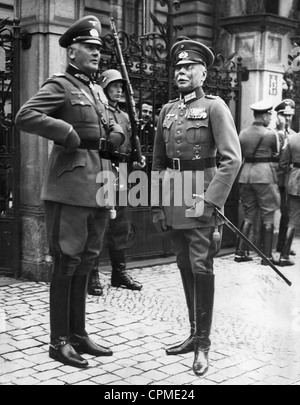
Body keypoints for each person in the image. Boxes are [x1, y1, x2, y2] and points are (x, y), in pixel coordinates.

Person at [15, 16, 126, 369]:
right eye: (90, 48)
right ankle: (58, 340)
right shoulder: (61, 85)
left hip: (97, 187)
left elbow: (108, 128)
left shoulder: (94, 89)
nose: (96, 53)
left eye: (98, 48)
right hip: (68, 189)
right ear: (72, 50)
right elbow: (25, 115)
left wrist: (117, 134)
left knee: (87, 261)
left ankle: (78, 334)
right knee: (66, 262)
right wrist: (63, 131)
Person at [151, 39, 242, 377]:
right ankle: (192, 334)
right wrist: (158, 207)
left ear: (203, 72)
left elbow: (232, 160)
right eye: (178, 67)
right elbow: (159, 164)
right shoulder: (167, 111)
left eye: (189, 67)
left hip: (200, 200)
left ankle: (203, 344)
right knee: (184, 266)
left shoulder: (216, 107)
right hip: (174, 199)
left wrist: (212, 200)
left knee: (202, 268)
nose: (182, 72)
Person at [87, 69, 144, 296]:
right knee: (99, 225)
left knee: (121, 224)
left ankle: (118, 273)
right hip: (103, 169)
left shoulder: (125, 116)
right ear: (104, 87)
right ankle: (92, 275)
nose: (119, 90)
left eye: (121, 86)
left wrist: (136, 160)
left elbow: (129, 146)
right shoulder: (99, 111)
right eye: (114, 86)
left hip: (122, 170)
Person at [235, 100, 281, 264]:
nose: (270, 118)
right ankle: (267, 256)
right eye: (270, 115)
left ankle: (240, 252)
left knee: (248, 215)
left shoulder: (243, 133)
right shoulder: (271, 134)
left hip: (246, 174)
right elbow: (276, 153)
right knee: (268, 214)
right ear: (264, 115)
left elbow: (239, 153)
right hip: (264, 176)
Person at [274, 99, 297, 258]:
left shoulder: (294, 135)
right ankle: (277, 246)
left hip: (289, 181)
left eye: (290, 116)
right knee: (281, 213)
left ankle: (283, 245)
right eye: (284, 115)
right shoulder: (274, 134)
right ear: (278, 116)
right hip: (276, 180)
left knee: (288, 214)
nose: (287, 119)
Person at [276, 128, 300, 266]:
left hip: (294, 181)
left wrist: (293, 171)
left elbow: (282, 164)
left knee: (292, 219)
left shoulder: (292, 139)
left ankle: (284, 256)